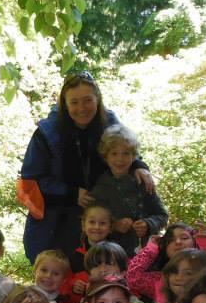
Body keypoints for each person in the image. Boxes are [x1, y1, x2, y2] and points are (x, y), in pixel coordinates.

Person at [19, 71, 153, 262]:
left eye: (87, 100)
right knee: (64, 280)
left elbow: (127, 149)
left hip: (107, 221)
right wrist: (71, 193)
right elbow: (30, 182)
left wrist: (139, 165)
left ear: (97, 99)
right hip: (58, 223)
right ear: (64, 104)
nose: (81, 108)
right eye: (74, 102)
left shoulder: (109, 124)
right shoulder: (46, 134)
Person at [88, 124, 168, 257]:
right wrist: (114, 226)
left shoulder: (143, 182)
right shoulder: (100, 189)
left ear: (134, 156)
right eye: (114, 153)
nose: (120, 159)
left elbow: (162, 215)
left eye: (126, 153)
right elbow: (92, 226)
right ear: (105, 156)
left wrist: (148, 224)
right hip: (114, 256)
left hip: (146, 253)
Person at [128, 222, 206, 303]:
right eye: (171, 240)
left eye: (184, 238)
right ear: (164, 248)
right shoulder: (162, 280)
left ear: (195, 243)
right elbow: (133, 278)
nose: (178, 242)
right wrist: (152, 248)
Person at [68, 203, 114, 278]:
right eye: (92, 222)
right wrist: (74, 284)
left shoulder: (116, 254)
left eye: (102, 223)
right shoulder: (75, 255)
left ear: (110, 227)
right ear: (83, 225)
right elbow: (66, 280)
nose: (97, 227)